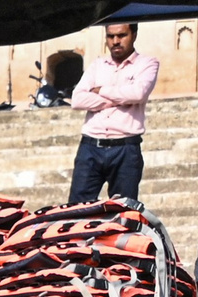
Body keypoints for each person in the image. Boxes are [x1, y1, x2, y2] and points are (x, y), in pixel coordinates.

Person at [68, 21, 157, 205]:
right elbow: (77, 100)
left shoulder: (147, 64)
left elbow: (138, 93)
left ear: (134, 35)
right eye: (111, 36)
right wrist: (120, 97)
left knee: (123, 212)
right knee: (76, 210)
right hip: (90, 147)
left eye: (122, 35)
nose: (115, 41)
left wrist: (101, 90)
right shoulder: (97, 65)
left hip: (125, 149)